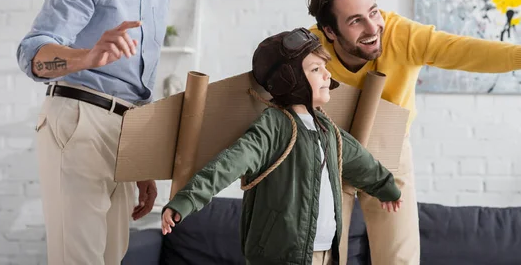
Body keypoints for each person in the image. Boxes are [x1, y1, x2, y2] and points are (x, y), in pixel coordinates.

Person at [306, 0, 521, 265]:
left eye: (373, 12)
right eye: (356, 21)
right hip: (330, 152)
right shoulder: (307, 50)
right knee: (319, 255)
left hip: (389, 149)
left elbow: (463, 51)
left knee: (399, 259)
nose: (372, 28)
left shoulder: (401, 36)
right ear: (329, 30)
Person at [15, 0, 197, 263]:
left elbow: (136, 82)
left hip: (125, 130)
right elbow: (32, 54)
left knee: (112, 256)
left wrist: (143, 160)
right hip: (80, 120)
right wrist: (87, 55)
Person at [161, 28, 403, 265]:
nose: (327, 75)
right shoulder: (274, 126)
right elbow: (229, 164)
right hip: (281, 257)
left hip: (327, 253)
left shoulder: (327, 130)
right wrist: (186, 201)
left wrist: (385, 186)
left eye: (325, 68)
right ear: (290, 79)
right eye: (316, 69)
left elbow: (360, 161)